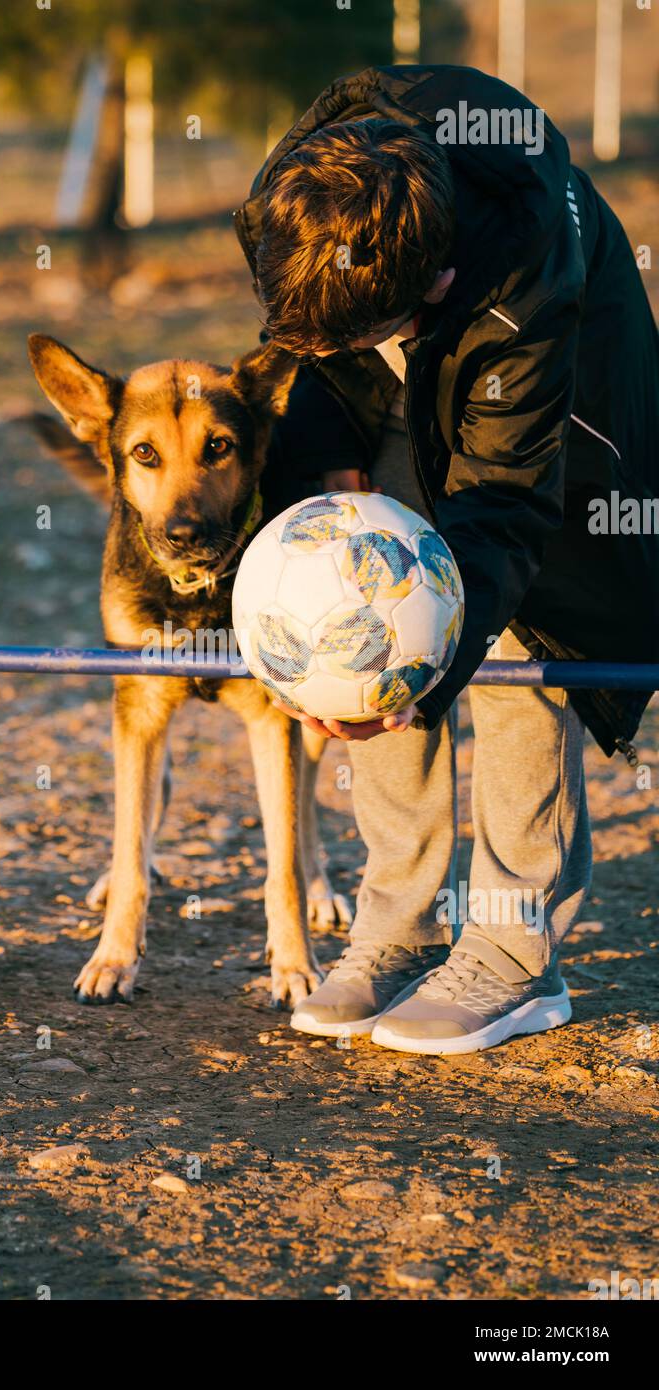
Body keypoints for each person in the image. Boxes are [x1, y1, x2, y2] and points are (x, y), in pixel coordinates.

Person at [234, 64, 659, 1054]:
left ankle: (510, 957)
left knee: (508, 640)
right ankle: (397, 917)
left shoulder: (524, 271)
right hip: (395, 362)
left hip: (553, 401)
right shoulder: (292, 200)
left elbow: (502, 509)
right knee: (363, 599)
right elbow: (307, 352)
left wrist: (427, 671)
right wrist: (324, 485)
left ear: (431, 287)